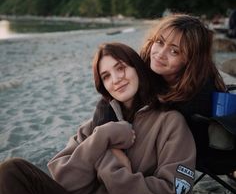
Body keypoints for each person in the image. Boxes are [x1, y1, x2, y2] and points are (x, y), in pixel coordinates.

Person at [0, 42, 196, 194]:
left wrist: (112, 170)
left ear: (137, 68)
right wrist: (103, 138)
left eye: (121, 68)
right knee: (12, 170)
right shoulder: (96, 126)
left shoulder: (170, 122)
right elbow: (66, 185)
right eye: (106, 76)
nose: (116, 79)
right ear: (103, 86)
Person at [92, 14, 226, 159]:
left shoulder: (198, 93)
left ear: (190, 60)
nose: (160, 54)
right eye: (160, 42)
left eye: (174, 51)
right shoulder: (150, 68)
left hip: (196, 149)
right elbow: (115, 99)